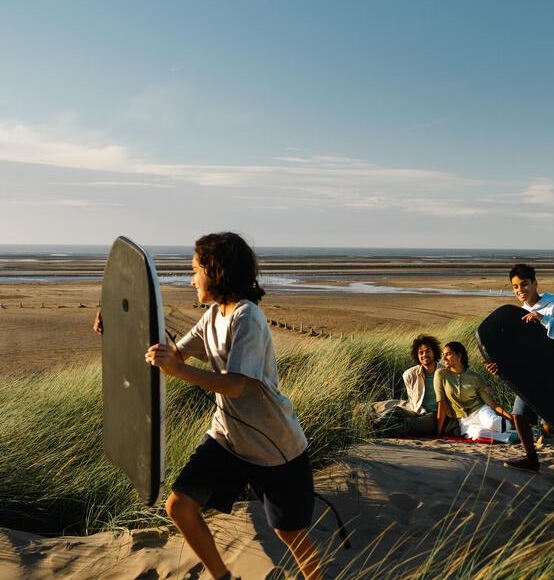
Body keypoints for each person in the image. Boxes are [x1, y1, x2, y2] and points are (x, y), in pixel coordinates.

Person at [95, 232, 320, 580]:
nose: (191, 278)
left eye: (195, 269)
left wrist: (178, 368)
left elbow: (234, 385)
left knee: (286, 531)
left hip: (273, 446)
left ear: (216, 271)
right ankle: (222, 577)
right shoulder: (213, 316)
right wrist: (116, 327)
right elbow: (168, 357)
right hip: (227, 438)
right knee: (180, 506)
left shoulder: (248, 318)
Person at [486, 263, 554, 473]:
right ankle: (531, 459)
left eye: (524, 284)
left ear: (535, 283)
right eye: (515, 287)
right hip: (532, 374)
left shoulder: (552, 307)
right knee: (519, 416)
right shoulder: (519, 314)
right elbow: (520, 352)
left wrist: (544, 319)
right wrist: (500, 367)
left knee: (550, 426)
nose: (520, 290)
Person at [374, 334, 460, 438]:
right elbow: (412, 399)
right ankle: (373, 428)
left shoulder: (446, 373)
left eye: (427, 351)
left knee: (408, 424)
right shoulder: (410, 374)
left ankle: (375, 434)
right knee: (396, 411)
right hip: (419, 412)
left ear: (434, 352)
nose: (424, 355)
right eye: (421, 353)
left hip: (436, 416)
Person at [434, 341, 515, 442]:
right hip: (464, 420)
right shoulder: (441, 375)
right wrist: (438, 433)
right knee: (478, 434)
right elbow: (442, 404)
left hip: (480, 411)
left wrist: (510, 417)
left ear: (459, 356)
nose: (444, 358)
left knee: (492, 423)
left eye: (448, 354)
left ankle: (523, 431)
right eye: (443, 355)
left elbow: (491, 403)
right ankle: (518, 436)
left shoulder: (476, 377)